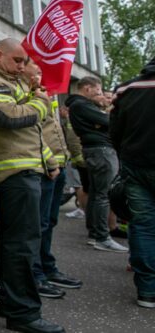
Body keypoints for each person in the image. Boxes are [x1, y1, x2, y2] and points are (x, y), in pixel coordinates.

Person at [0, 39, 63, 333]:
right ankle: (23, 313)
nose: (22, 67)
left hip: (23, 169)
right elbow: (5, 117)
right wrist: (40, 103)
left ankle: (13, 304)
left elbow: (30, 133)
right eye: (17, 60)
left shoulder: (10, 83)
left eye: (24, 62)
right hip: (14, 171)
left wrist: (49, 160)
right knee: (21, 244)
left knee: (17, 241)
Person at [22, 61, 82, 299]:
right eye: (36, 71)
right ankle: (35, 273)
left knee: (49, 221)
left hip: (59, 163)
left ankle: (47, 266)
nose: (40, 75)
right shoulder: (25, 94)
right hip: (44, 166)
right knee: (38, 224)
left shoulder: (47, 92)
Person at [110, 57, 155, 308]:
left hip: (135, 166)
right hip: (137, 165)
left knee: (143, 225)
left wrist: (125, 155)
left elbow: (115, 131)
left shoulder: (126, 89)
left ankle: (147, 290)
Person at [66, 77, 128, 252]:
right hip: (102, 151)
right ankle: (102, 236)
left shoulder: (78, 105)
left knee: (96, 193)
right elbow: (109, 121)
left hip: (95, 150)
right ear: (87, 88)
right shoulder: (81, 105)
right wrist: (106, 118)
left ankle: (95, 233)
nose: (100, 94)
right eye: (98, 91)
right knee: (103, 194)